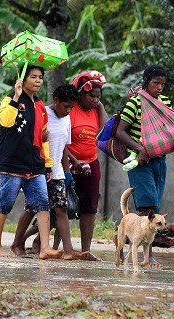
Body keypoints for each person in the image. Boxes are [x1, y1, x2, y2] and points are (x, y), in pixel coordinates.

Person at [114, 65, 174, 269]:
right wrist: (140, 149)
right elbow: (120, 132)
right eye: (156, 83)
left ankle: (127, 242)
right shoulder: (135, 103)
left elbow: (170, 128)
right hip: (140, 161)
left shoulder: (164, 103)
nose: (159, 88)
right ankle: (149, 256)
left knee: (155, 205)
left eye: (163, 84)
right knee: (147, 206)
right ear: (146, 81)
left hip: (159, 160)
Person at [0, 66, 62, 260]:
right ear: (23, 79)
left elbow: (43, 139)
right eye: (33, 77)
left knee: (42, 204)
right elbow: (6, 121)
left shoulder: (40, 107)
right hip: (12, 164)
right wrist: (16, 96)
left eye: (40, 77)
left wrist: (47, 164)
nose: (38, 81)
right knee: (5, 204)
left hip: (35, 165)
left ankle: (45, 248)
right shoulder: (9, 100)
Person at [15, 85, 89, 260]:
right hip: (38, 171)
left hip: (57, 172)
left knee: (61, 210)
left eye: (72, 107)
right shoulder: (42, 113)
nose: (69, 110)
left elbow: (64, 147)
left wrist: (66, 172)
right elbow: (27, 139)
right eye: (66, 106)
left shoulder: (67, 119)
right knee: (32, 209)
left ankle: (69, 250)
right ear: (56, 101)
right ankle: (16, 244)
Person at [68, 70, 108, 261]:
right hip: (68, 162)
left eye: (99, 97)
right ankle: (50, 245)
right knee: (62, 205)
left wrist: (99, 106)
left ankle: (85, 250)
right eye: (92, 95)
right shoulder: (71, 108)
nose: (95, 100)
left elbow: (106, 131)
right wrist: (72, 162)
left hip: (91, 163)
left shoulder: (96, 109)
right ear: (81, 93)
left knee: (90, 206)